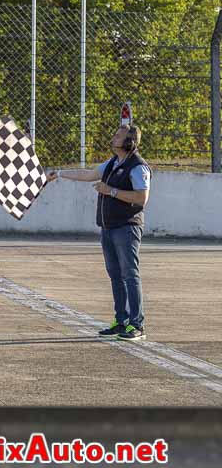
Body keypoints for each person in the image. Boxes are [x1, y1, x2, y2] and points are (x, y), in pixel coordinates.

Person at [47, 125, 151, 341]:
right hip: (109, 227)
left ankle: (137, 325)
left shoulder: (138, 167)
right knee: (115, 275)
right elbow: (88, 174)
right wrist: (59, 174)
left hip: (127, 227)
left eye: (118, 136)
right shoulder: (113, 163)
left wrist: (110, 191)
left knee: (130, 275)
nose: (113, 138)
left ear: (130, 142)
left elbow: (141, 198)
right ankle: (121, 320)